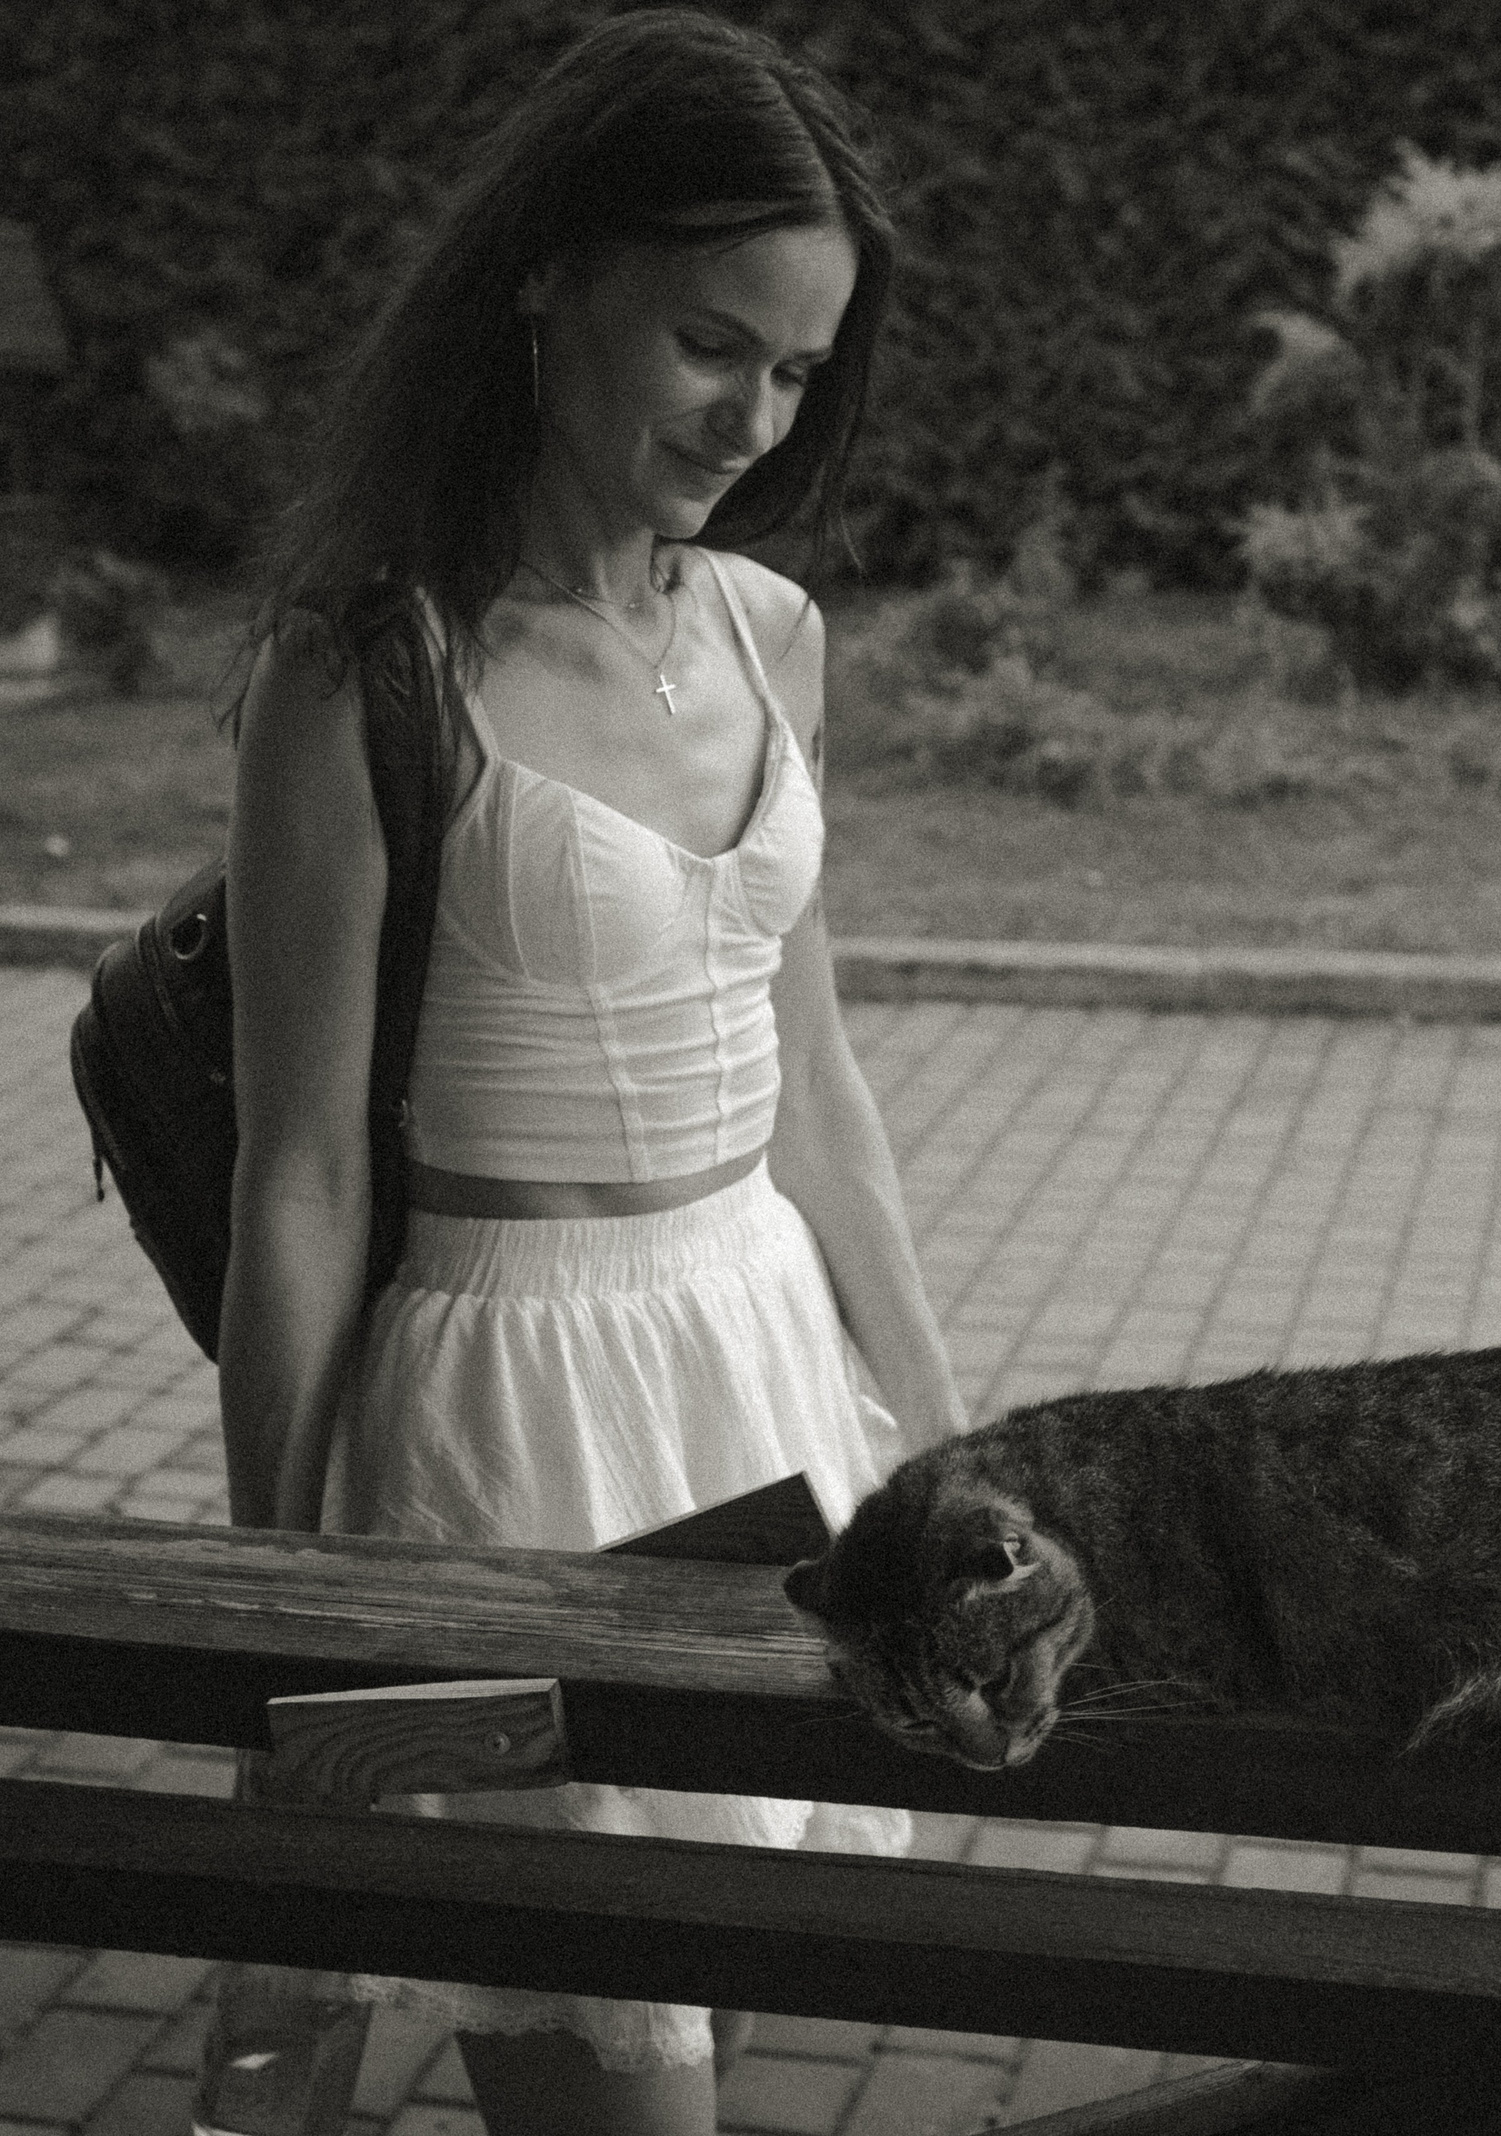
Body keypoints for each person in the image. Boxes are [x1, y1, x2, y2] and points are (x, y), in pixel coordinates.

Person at [216, 12, 965, 2132]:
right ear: (550, 275)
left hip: (758, 1382)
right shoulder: (368, 666)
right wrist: (277, 1611)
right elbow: (300, 1177)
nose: (754, 414)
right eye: (713, 343)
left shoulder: (765, 631)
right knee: (620, 2090)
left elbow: (807, 1069)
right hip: (509, 1431)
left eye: (802, 370)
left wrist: (943, 1431)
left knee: (689, 2024)